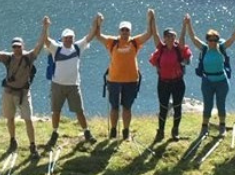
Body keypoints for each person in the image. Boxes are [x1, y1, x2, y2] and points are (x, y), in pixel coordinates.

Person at [0, 17, 48, 158]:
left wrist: (45, 28)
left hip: (23, 93)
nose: (16, 49)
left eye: (19, 46)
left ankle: (32, 146)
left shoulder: (29, 57)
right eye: (14, 47)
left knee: (28, 119)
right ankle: (12, 141)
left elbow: (40, 44)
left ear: (23, 46)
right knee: (9, 118)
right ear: (12, 47)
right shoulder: (8, 58)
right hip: (8, 93)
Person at [94, 9, 155, 140]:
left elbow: (149, 34)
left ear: (130, 31)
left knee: (127, 107)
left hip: (131, 80)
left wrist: (150, 19)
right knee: (114, 107)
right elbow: (98, 35)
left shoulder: (134, 42)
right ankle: (114, 131)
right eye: (123, 30)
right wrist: (98, 22)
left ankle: (126, 131)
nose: (125, 32)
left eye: (127, 30)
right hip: (114, 80)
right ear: (119, 31)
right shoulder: (112, 42)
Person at [42, 15, 100, 147]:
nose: (68, 40)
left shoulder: (78, 47)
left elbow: (90, 36)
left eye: (70, 38)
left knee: (79, 111)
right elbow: (45, 40)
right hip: (58, 85)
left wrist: (96, 23)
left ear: (73, 39)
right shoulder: (56, 48)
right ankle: (55, 133)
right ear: (62, 39)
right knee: (56, 111)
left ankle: (86, 133)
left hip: (74, 86)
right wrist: (46, 27)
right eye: (66, 38)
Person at [185, 14, 235, 136]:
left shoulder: (221, 48)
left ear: (217, 40)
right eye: (210, 39)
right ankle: (204, 128)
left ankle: (222, 127)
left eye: (215, 39)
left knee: (221, 105)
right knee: (208, 105)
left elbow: (232, 38)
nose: (212, 42)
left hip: (222, 81)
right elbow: (193, 37)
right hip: (207, 82)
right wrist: (188, 23)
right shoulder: (204, 48)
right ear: (207, 40)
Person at [149, 22, 192, 141]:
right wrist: (152, 19)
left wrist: (184, 25)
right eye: (168, 36)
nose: (170, 38)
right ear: (164, 38)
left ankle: (175, 130)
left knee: (177, 107)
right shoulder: (160, 50)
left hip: (178, 82)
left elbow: (183, 39)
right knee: (163, 107)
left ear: (175, 37)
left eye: (172, 36)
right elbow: (155, 35)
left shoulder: (179, 49)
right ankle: (161, 131)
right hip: (163, 83)